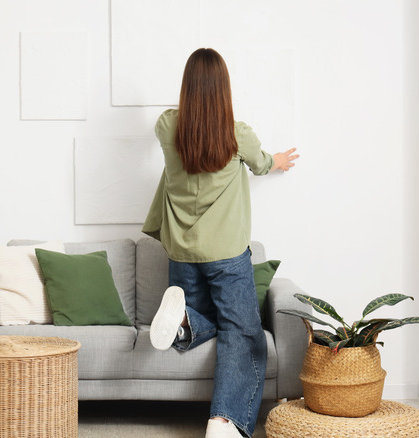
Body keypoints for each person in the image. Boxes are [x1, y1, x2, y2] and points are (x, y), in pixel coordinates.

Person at [142, 48, 298, 438]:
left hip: (181, 253)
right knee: (242, 333)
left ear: (186, 87)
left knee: (209, 322)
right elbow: (262, 163)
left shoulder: (167, 127)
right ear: (224, 89)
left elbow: (173, 122)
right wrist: (278, 160)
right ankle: (223, 421)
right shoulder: (236, 134)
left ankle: (183, 321)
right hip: (226, 254)